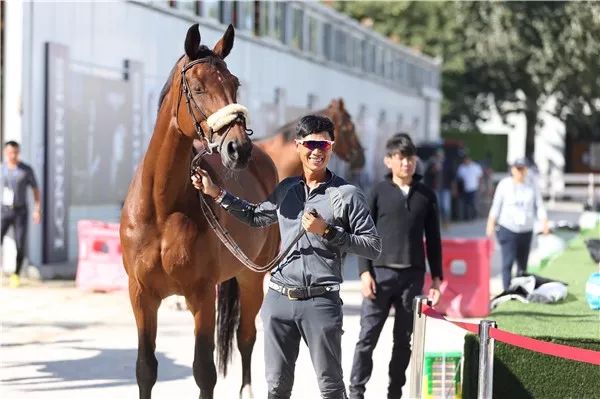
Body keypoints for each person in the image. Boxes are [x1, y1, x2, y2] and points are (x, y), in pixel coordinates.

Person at [192, 115, 381, 399]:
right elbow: (256, 216)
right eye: (310, 143)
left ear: (331, 147)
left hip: (321, 301)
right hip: (278, 301)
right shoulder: (286, 189)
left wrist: (328, 231)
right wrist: (217, 193)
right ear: (298, 146)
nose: (317, 150)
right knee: (277, 388)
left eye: (324, 144)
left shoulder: (347, 194)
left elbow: (372, 246)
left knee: (330, 387)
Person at [348, 133, 442, 399]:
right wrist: (364, 272)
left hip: (412, 276)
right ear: (389, 161)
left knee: (403, 340)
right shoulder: (377, 192)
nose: (406, 164)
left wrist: (437, 278)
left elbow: (433, 239)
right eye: (401, 158)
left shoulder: (427, 195)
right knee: (367, 338)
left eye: (411, 158)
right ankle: (356, 392)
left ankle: (395, 392)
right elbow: (362, 234)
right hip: (380, 274)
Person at [486, 157, 549, 291]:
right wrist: (490, 224)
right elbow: (496, 206)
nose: (520, 172)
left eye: (523, 169)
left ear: (526, 170)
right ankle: (507, 290)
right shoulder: (505, 185)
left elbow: (539, 206)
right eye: (518, 169)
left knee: (522, 265)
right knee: (507, 262)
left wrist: (544, 222)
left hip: (525, 229)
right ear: (513, 169)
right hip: (508, 228)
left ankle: (520, 290)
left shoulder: (532, 186)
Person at [1, 141, 41, 287]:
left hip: (20, 211)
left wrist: (37, 209)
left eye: (15, 152)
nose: (13, 155)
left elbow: (36, 189)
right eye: (10, 152)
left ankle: (16, 274)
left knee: (20, 243)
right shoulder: (2, 169)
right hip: (4, 210)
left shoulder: (26, 170)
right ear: (6, 153)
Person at [456, 154, 483, 220]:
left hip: (474, 187)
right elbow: (459, 178)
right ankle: (467, 217)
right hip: (464, 188)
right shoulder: (461, 167)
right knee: (466, 203)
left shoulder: (475, 166)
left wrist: (480, 186)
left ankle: (474, 215)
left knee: (473, 203)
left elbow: (479, 177)